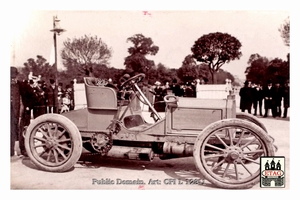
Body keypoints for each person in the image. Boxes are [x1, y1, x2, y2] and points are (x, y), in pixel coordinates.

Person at [10, 67, 21, 157]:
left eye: (14, 77)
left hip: (15, 112)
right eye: (11, 78)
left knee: (13, 130)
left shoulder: (18, 86)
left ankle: (11, 151)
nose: (13, 79)